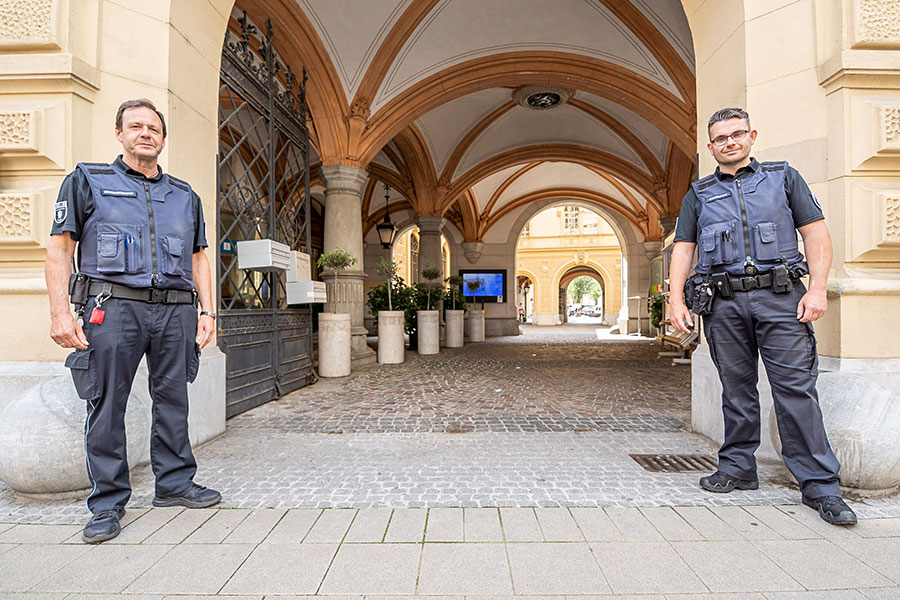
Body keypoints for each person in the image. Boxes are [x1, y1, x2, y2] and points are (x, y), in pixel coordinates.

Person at [667, 108, 856, 526]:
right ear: (711, 146)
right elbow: (684, 247)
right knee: (736, 388)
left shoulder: (783, 177)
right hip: (724, 303)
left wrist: (818, 288)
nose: (730, 142)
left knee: (796, 390)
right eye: (721, 138)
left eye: (737, 134)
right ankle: (737, 467)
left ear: (751, 136)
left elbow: (815, 233)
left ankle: (821, 486)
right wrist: (676, 299)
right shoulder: (698, 194)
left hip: (782, 299)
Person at [45, 99, 222, 543]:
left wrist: (207, 310)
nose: (146, 133)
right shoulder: (87, 181)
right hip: (113, 307)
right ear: (119, 134)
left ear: (163, 139)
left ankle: (175, 482)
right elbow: (60, 250)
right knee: (107, 404)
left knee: (173, 396)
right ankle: (106, 503)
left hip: (175, 309)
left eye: (154, 128)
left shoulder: (185, 196)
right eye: (136, 126)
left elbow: (200, 257)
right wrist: (60, 312)